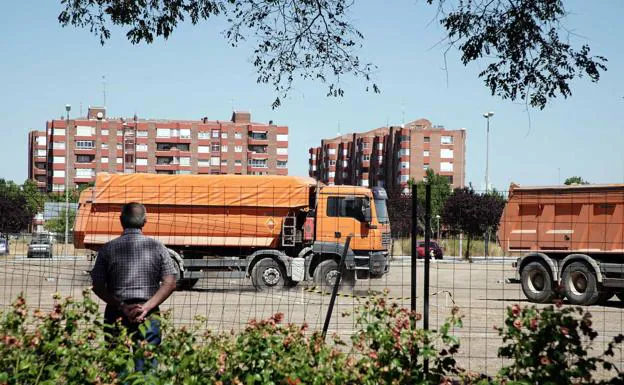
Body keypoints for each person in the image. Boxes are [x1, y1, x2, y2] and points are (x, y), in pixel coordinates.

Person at [90, 202, 177, 370]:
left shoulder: (107, 249)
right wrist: (146, 308)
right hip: (149, 315)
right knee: (147, 368)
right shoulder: (157, 247)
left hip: (116, 313)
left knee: (118, 367)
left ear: (121, 220)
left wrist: (122, 306)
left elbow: (97, 285)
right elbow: (170, 282)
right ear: (145, 221)